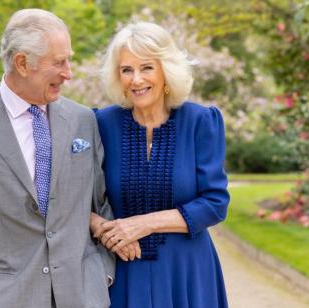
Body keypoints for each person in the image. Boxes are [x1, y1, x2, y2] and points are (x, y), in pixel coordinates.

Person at [0, 9, 115, 308]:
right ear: (22, 63)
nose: (69, 72)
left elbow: (100, 204)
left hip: (79, 297)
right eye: (59, 62)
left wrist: (101, 274)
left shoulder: (83, 120)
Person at [91, 22, 230, 307]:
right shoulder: (100, 124)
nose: (136, 79)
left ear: (166, 70)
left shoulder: (201, 121)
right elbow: (75, 197)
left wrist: (143, 224)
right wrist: (105, 229)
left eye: (146, 68)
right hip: (123, 271)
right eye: (126, 70)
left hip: (188, 274)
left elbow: (215, 203)